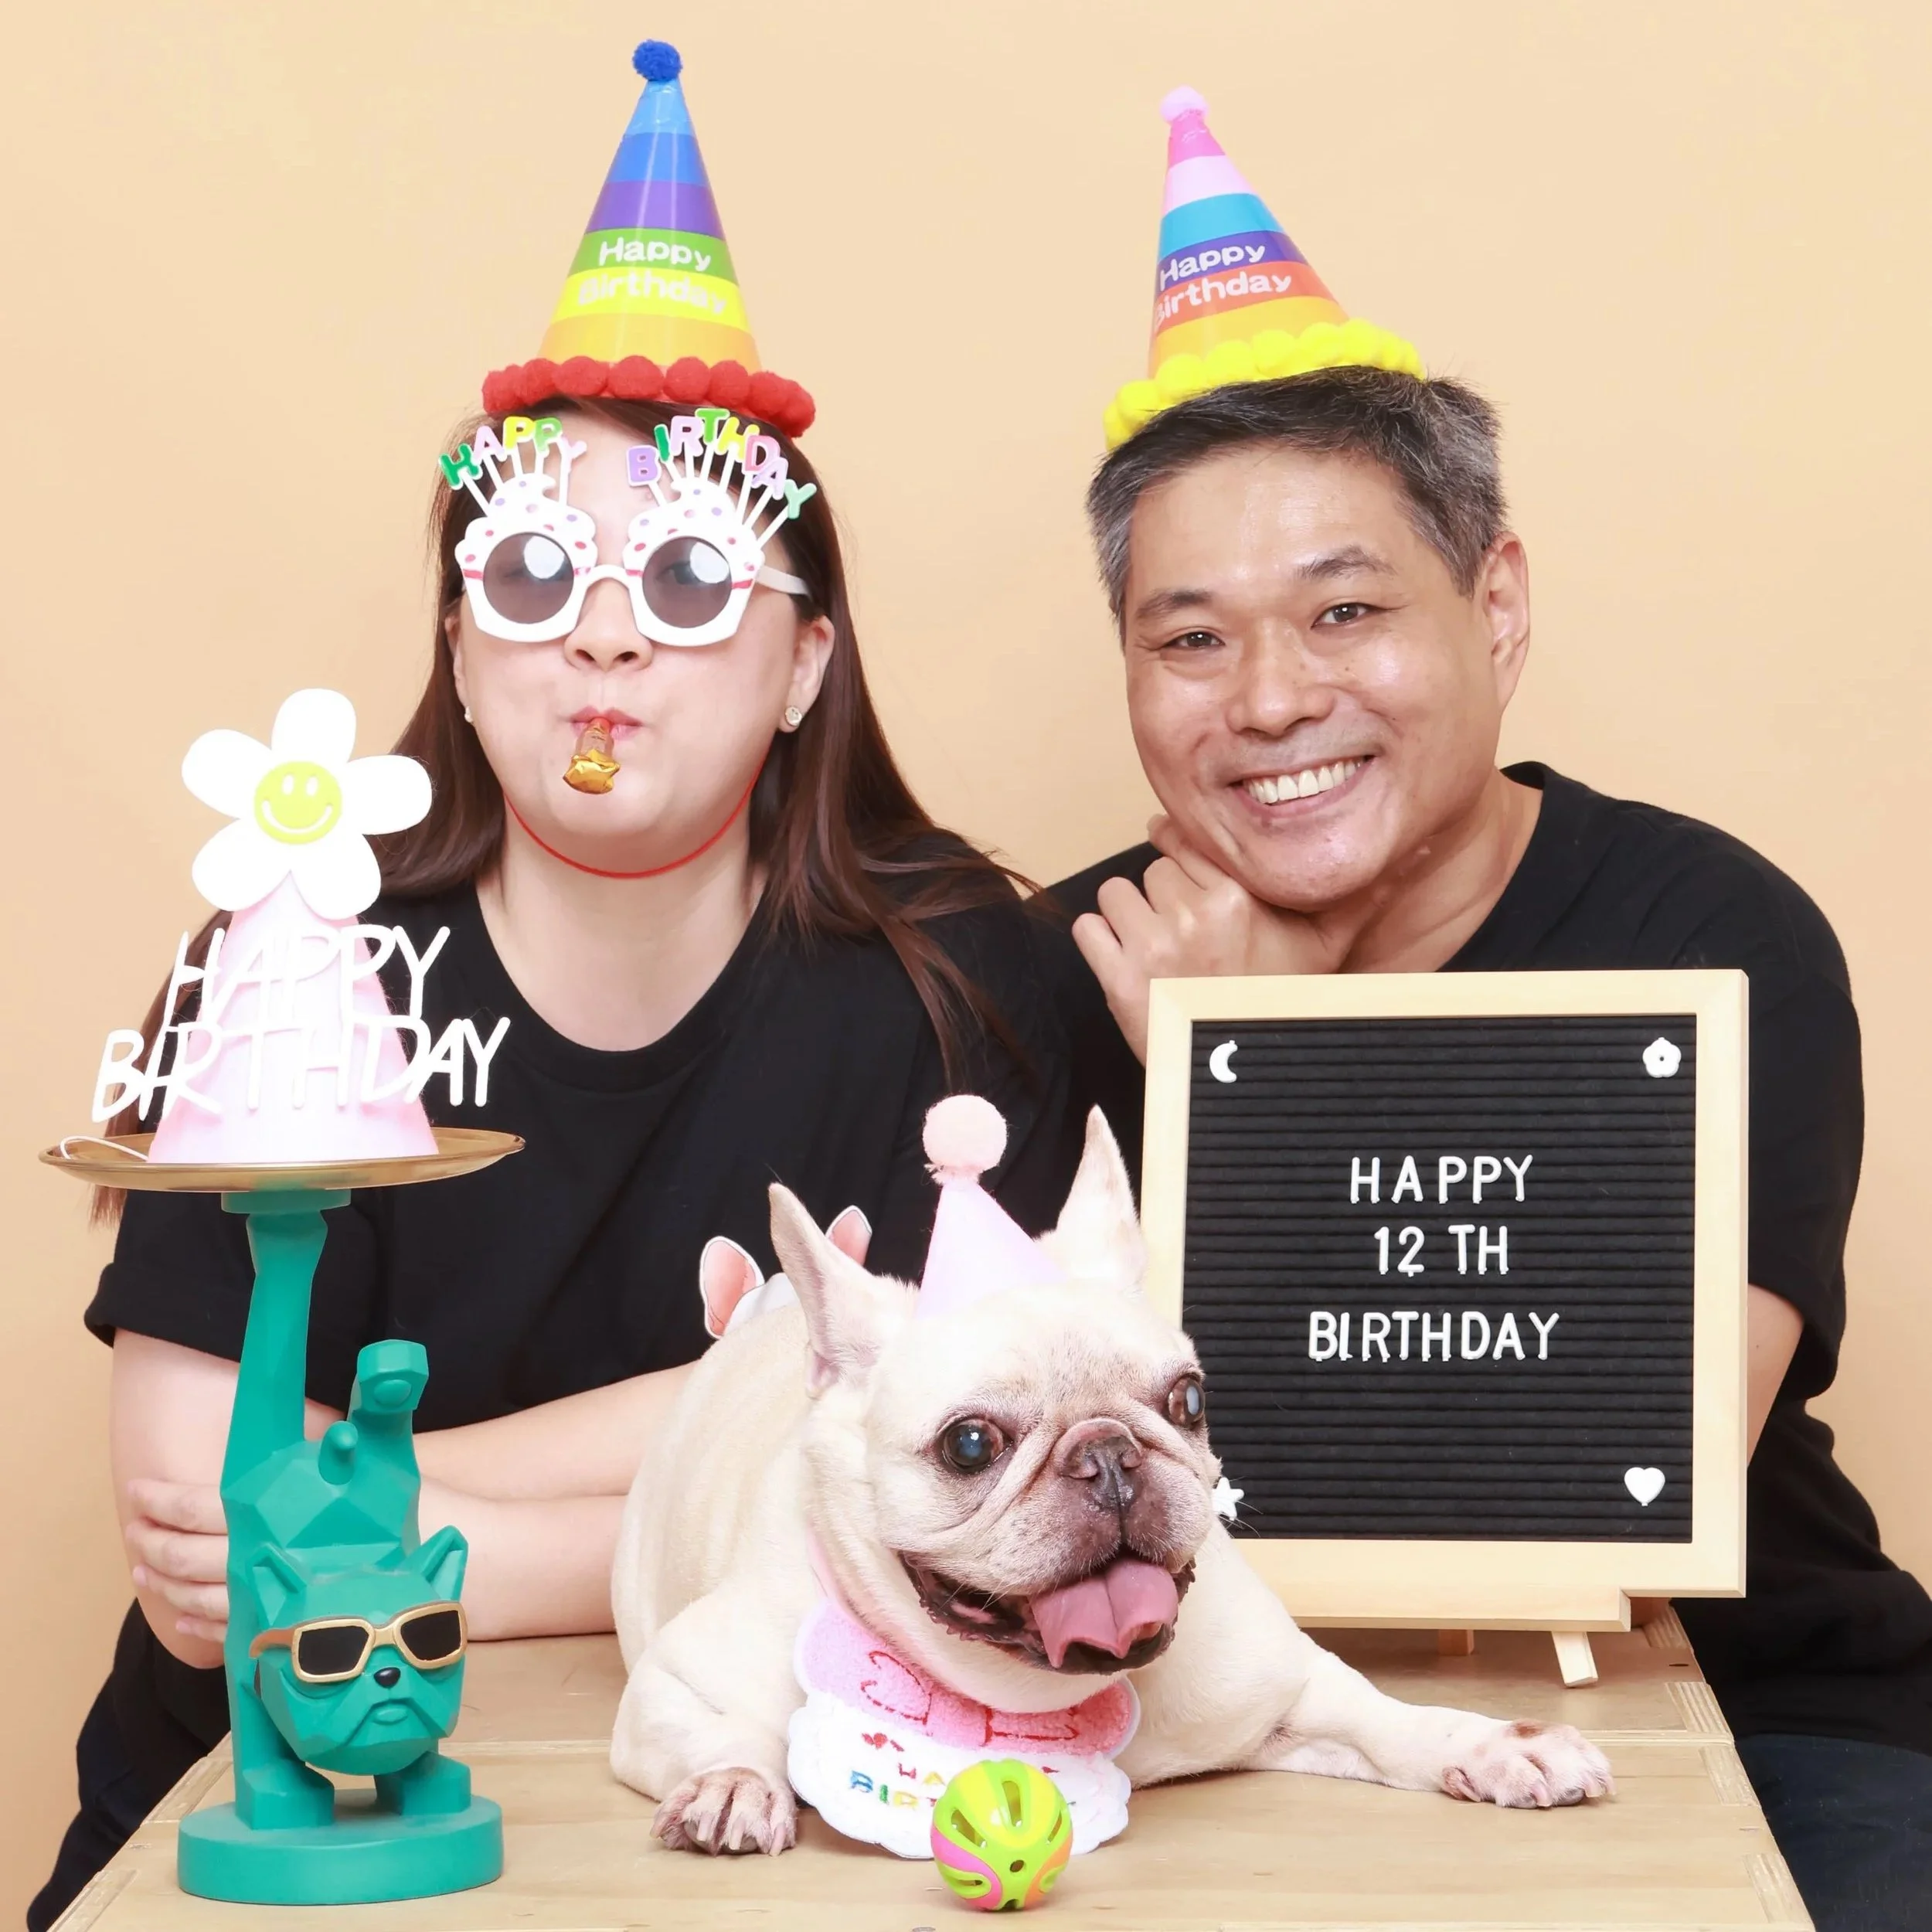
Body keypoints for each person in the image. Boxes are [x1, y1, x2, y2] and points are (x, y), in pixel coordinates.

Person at [29, 43, 1107, 1928]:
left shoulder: (965, 989)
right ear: (460, 642)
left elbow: (981, 1527)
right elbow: (212, 1543)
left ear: (799, 666)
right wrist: (733, 1444)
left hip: (792, 1785)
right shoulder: (294, 948)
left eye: (691, 577)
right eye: (531, 570)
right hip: (289, 1813)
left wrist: (369, 1484)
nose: (605, 627)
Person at [1048, 85, 1932, 1932]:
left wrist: (1257, 1074)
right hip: (1196, 1724)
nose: (1270, 697)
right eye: (1188, 636)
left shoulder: (1707, 930)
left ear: (1495, 606)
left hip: (1756, 1707)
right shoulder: (1057, 964)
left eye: (1345, 609)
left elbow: (1627, 1454)